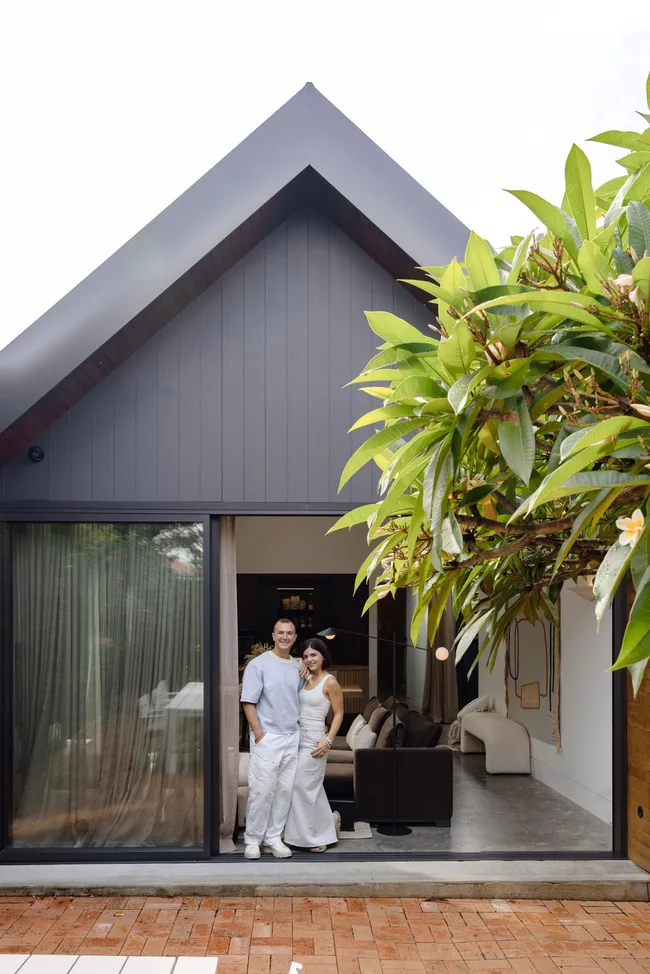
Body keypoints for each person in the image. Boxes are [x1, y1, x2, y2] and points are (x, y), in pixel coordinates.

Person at [240, 618, 305, 860]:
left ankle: (274, 838)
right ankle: (252, 840)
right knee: (262, 790)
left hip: (292, 736)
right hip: (268, 737)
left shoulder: (297, 667)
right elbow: (248, 702)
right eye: (281, 632)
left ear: (295, 637)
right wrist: (259, 734)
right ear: (273, 635)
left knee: (284, 791)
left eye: (289, 633)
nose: (285, 637)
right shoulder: (258, 665)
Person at [284, 637, 344, 853]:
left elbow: (339, 713)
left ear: (323, 656)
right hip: (297, 739)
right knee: (306, 788)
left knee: (303, 786)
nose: (310, 659)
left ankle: (319, 836)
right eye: (306, 656)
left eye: (314, 655)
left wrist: (328, 741)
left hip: (316, 742)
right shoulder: (305, 678)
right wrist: (299, 662)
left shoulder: (330, 682)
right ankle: (326, 824)